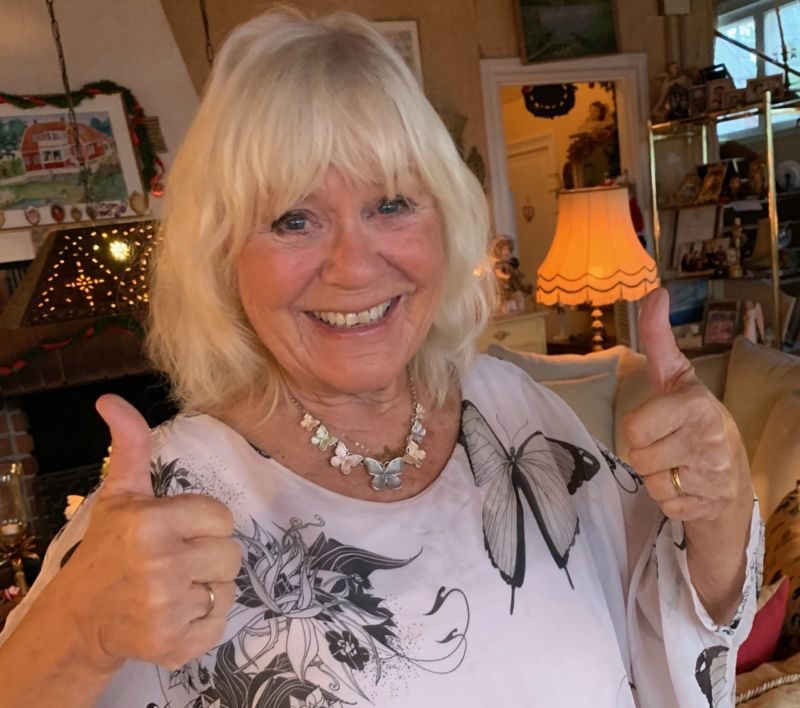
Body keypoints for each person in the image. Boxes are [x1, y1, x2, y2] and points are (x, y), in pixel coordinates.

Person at [0, 9, 760, 708]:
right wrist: (80, 632)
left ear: (445, 222)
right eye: (293, 219)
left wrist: (721, 506)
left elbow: (673, 620)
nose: (354, 267)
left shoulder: (517, 412)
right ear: (223, 257)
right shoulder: (165, 503)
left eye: (390, 204)